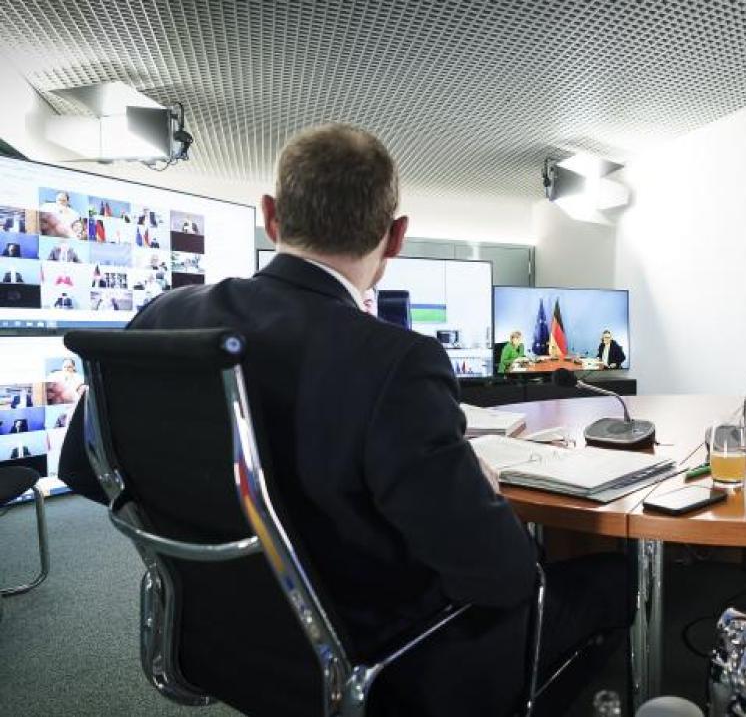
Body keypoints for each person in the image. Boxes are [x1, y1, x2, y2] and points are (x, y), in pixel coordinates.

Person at [57, 123, 629, 717]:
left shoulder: (164, 316)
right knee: (611, 579)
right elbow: (503, 576)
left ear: (271, 217)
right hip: (382, 664)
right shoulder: (395, 363)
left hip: (210, 639)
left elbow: (82, 469)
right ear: (396, 236)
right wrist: (475, 486)